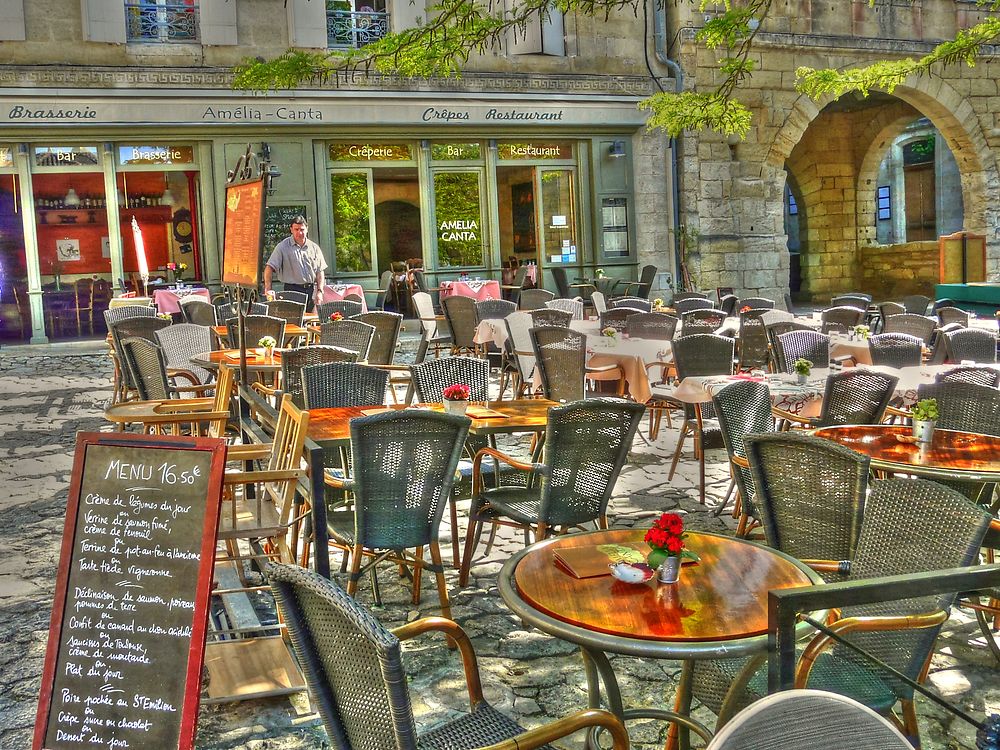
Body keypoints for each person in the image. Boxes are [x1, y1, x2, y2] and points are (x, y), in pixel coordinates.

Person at [263, 216, 326, 312]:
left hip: (310, 290)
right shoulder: (283, 247)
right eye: (296, 229)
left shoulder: (314, 248)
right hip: (291, 291)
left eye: (302, 229)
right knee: (294, 321)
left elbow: (320, 272)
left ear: (307, 229)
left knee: (309, 321)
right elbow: (269, 268)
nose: (299, 233)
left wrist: (320, 291)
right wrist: (268, 289)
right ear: (291, 229)